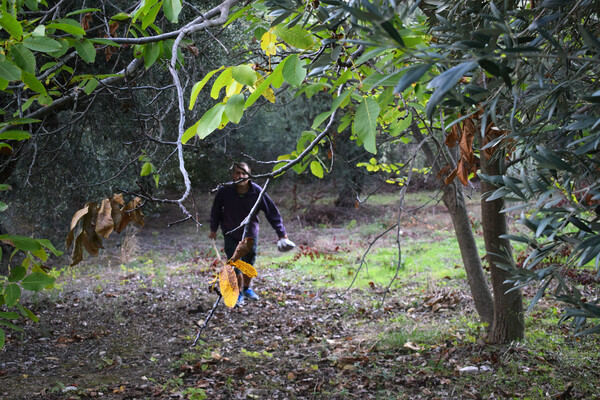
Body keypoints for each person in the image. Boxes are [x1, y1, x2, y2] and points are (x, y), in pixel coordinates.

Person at [209, 162, 295, 307]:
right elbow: (216, 211)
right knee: (235, 266)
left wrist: (282, 234)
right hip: (231, 233)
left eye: (244, 173)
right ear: (233, 175)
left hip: (250, 235)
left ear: (249, 175)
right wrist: (213, 229)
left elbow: (272, 213)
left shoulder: (258, 192)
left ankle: (247, 289)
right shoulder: (225, 191)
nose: (240, 176)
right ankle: (238, 294)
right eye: (237, 173)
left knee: (249, 265)